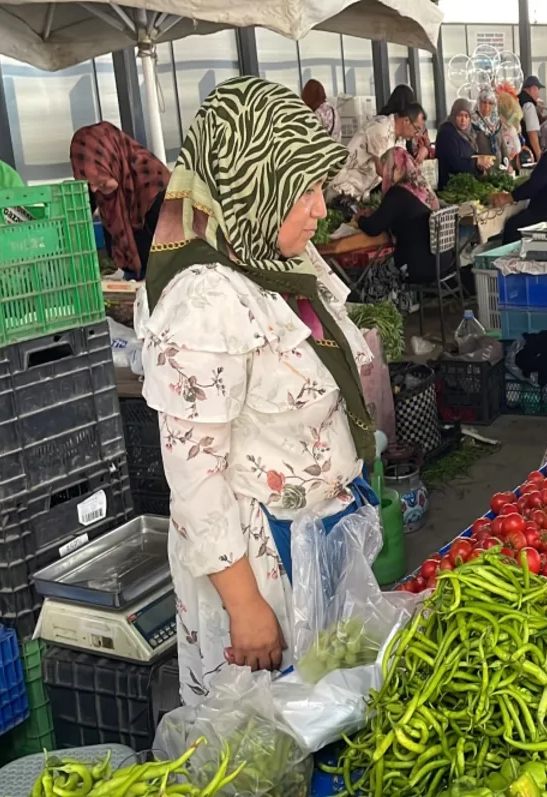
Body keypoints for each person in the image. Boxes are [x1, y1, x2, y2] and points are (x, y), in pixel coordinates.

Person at [136, 76, 377, 701]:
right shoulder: (203, 300)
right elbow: (194, 480)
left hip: (320, 538)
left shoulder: (281, 265)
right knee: (270, 745)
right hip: (262, 568)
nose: (321, 208)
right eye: (304, 190)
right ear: (251, 184)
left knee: (334, 716)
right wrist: (246, 608)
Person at [70, 122, 169, 279]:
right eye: (89, 183)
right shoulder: (97, 183)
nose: (94, 189)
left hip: (165, 275)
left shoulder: (152, 182)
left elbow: (173, 251)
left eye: (100, 181)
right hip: (130, 276)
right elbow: (75, 221)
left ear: (113, 160)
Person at [356, 146, 447, 284]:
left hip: (417, 267)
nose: (382, 174)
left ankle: (397, 303)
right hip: (442, 261)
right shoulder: (421, 186)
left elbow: (373, 228)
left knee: (370, 276)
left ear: (396, 168)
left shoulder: (397, 193)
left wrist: (360, 218)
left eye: (386, 167)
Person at [493, 120, 547, 243]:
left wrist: (509, 197)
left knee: (512, 225)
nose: (540, 140)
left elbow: (534, 185)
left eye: (541, 136)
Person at [327, 99, 426, 202]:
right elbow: (383, 170)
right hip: (344, 188)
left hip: (361, 192)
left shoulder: (400, 139)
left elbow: (402, 166)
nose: (417, 133)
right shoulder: (381, 128)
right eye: (416, 128)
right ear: (406, 121)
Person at [436, 99, 493, 190]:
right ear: (453, 115)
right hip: (450, 188)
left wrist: (480, 168)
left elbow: (469, 157)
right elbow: (455, 162)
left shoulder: (469, 134)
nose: (463, 120)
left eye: (467, 116)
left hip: (465, 186)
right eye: (460, 115)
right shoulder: (447, 132)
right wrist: (477, 162)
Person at [472, 88, 505, 165]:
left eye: (490, 103)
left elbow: (502, 144)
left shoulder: (497, 122)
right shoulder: (472, 122)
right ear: (478, 103)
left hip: (498, 168)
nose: (487, 106)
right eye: (484, 102)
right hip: (482, 169)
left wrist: (507, 162)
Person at [518, 76, 547, 160]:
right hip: (527, 153)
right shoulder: (529, 105)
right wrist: (538, 154)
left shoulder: (519, 100)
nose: (538, 95)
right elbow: (532, 132)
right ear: (533, 89)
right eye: (538, 90)